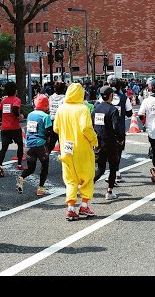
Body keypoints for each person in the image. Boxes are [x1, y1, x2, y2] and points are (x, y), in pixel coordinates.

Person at [53, 83, 98, 221]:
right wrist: (94, 140)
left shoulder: (61, 109)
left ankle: (71, 208)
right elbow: (86, 128)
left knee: (70, 178)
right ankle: (84, 205)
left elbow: (56, 128)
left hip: (67, 147)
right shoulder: (83, 109)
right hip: (82, 148)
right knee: (87, 176)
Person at [92, 86, 125, 200]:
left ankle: (88, 185)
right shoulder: (113, 110)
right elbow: (116, 127)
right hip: (111, 142)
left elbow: (92, 125)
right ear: (111, 95)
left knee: (100, 169)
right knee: (113, 167)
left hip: (98, 142)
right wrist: (120, 139)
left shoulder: (96, 109)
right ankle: (109, 192)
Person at [16, 93, 52, 196]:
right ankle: (40, 188)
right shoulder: (46, 116)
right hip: (40, 144)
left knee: (31, 168)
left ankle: (21, 178)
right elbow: (49, 131)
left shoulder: (31, 114)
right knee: (45, 165)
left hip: (29, 145)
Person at [0, 81, 25, 177]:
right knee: (20, 144)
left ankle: (0, 165)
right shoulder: (16, 99)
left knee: (4, 148)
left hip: (4, 127)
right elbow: (15, 109)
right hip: (14, 127)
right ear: (15, 90)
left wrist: (4, 117)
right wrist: (19, 116)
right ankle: (19, 164)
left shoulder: (4, 101)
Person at [48, 81, 66, 152]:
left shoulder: (50, 98)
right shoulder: (65, 99)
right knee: (63, 143)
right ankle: (65, 161)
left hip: (52, 121)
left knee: (51, 143)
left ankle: (45, 160)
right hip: (61, 122)